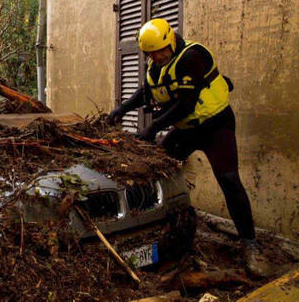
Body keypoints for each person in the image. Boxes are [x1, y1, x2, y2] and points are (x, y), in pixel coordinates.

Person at [108, 18, 269, 277]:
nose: (157, 57)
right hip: (187, 130)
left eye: (161, 51)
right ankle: (147, 233)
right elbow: (146, 91)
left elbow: (186, 105)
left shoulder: (190, 58)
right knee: (153, 168)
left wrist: (152, 128)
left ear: (170, 41)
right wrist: (122, 109)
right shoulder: (156, 67)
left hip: (215, 126)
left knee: (229, 180)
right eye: (151, 53)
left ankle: (250, 244)